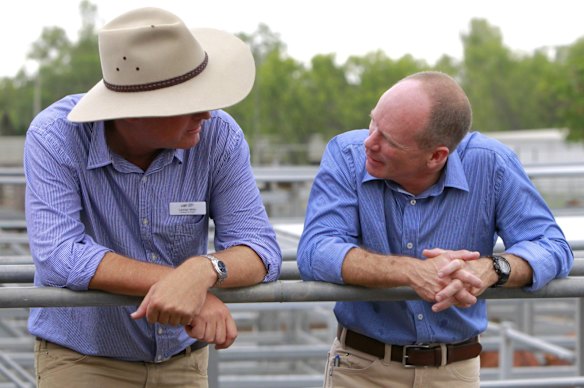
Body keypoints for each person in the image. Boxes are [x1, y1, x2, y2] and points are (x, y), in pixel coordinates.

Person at [24, 7, 282, 388]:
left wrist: (201, 272)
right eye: (188, 103)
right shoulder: (54, 136)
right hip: (82, 362)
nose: (207, 113)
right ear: (131, 111)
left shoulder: (219, 136)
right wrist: (182, 286)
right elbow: (59, 255)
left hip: (184, 361)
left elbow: (259, 248)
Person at [296, 71, 573, 387]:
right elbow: (316, 249)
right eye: (373, 123)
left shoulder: (492, 163)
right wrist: (413, 272)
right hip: (361, 370)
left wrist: (493, 268)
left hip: (455, 371)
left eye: (389, 140)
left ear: (436, 156)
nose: (368, 143)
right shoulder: (346, 155)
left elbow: (551, 245)